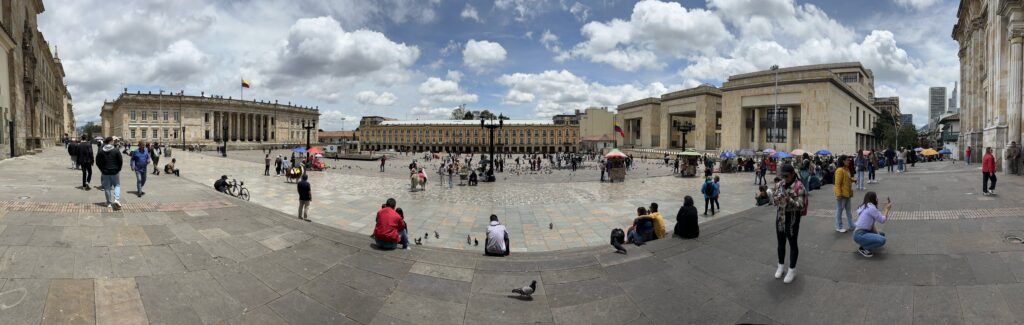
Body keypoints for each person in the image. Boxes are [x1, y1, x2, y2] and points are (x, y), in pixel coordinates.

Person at [772, 164, 806, 284]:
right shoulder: (779, 184)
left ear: (792, 174)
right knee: (780, 242)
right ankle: (780, 265)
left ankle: (792, 269)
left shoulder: (799, 186)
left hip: (792, 218)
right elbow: (774, 199)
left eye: (786, 176)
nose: (784, 178)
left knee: (792, 243)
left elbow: (801, 205)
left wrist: (788, 199)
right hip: (780, 216)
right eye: (782, 176)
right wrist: (776, 198)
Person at [853, 192, 890, 257]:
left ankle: (865, 243)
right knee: (882, 240)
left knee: (882, 235)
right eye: (876, 197)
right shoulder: (871, 208)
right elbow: (882, 220)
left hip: (859, 233)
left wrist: (877, 234)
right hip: (860, 235)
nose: (877, 199)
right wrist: (887, 209)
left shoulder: (865, 206)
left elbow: (872, 225)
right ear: (873, 199)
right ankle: (864, 248)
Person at [95, 137, 123, 209]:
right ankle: (116, 199)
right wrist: (118, 169)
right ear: (110, 141)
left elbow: (97, 161)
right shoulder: (116, 150)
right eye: (113, 141)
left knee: (107, 188)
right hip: (115, 171)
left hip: (105, 172)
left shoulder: (101, 151)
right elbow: (120, 160)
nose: (113, 142)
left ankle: (109, 203)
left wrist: (101, 169)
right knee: (117, 185)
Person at [833, 155, 855, 233]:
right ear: (843, 161)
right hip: (842, 194)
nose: (849, 161)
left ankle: (851, 225)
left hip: (847, 193)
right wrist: (838, 194)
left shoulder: (846, 169)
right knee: (839, 210)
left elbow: (847, 179)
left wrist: (853, 180)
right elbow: (837, 184)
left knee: (848, 210)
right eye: (847, 160)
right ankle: (839, 226)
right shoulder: (839, 170)